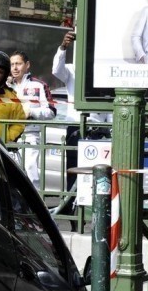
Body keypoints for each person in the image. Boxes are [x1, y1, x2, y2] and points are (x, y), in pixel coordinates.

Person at [52, 30, 112, 192]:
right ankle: (72, 209)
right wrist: (63, 47)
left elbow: (110, 108)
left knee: (98, 174)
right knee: (74, 171)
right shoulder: (73, 70)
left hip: (100, 132)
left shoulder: (105, 74)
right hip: (76, 128)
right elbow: (56, 70)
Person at [8, 50, 56, 189]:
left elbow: (51, 112)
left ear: (27, 65)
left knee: (30, 169)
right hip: (8, 134)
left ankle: (36, 206)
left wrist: (31, 112)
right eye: (12, 64)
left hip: (30, 134)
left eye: (18, 64)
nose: (15, 68)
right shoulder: (5, 85)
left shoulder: (38, 85)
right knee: (11, 172)